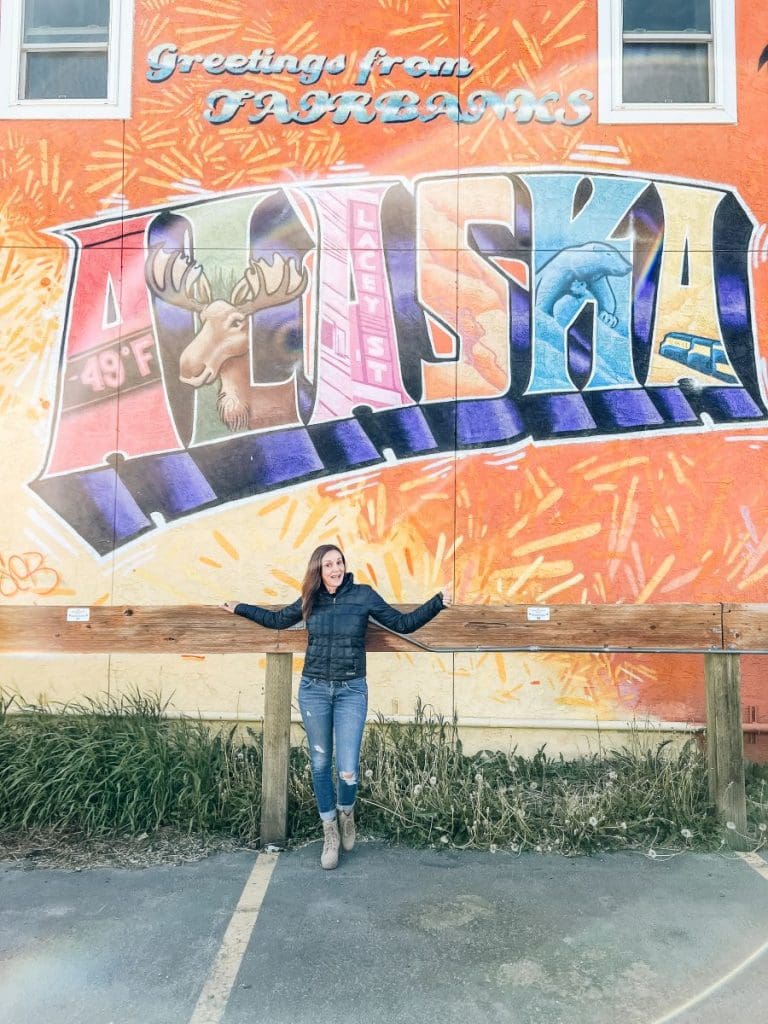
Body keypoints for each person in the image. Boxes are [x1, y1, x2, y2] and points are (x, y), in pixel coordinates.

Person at [221, 544, 450, 869]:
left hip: (350, 691)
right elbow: (276, 620)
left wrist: (438, 602)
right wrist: (240, 607)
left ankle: (347, 812)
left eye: (339, 562)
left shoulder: (363, 596)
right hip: (314, 690)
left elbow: (403, 624)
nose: (335, 568)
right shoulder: (309, 600)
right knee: (318, 762)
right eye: (328, 564)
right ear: (318, 569)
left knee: (347, 767)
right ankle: (329, 830)